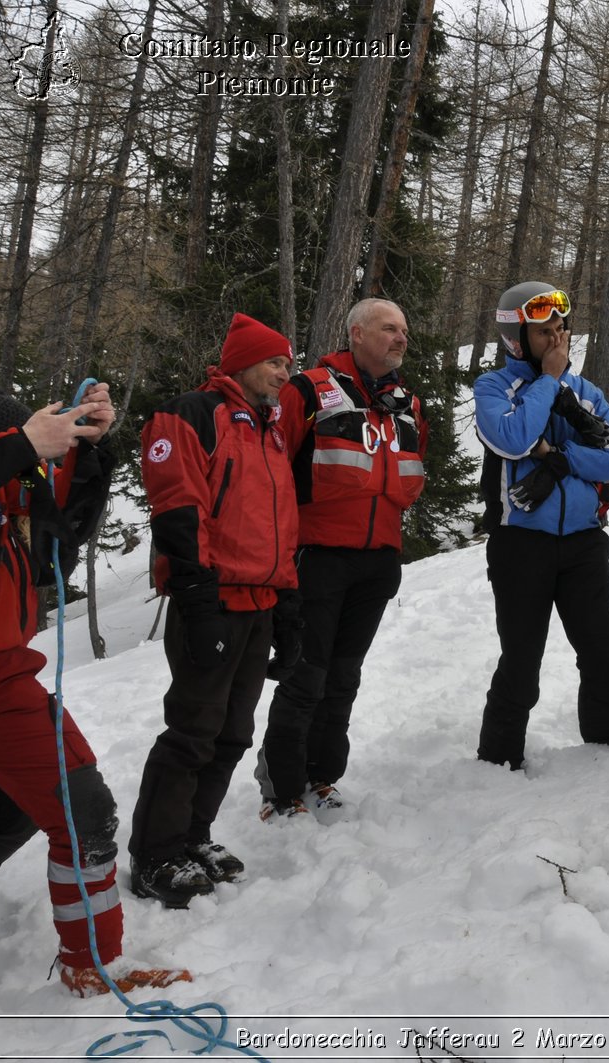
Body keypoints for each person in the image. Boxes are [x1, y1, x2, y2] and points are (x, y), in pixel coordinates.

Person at [0, 386, 191, 994]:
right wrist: (22, 444)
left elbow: (57, 542)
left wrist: (83, 449)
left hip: (3, 677)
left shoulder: (9, 487)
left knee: (75, 808)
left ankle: (91, 962)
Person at [132, 313, 299, 906]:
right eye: (276, 361)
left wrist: (287, 606)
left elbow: (277, 525)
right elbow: (179, 507)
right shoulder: (192, 414)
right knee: (192, 732)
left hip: (258, 603)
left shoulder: (269, 427)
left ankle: (192, 838)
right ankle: (154, 854)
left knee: (232, 734)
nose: (285, 371)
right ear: (243, 362)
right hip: (213, 601)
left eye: (287, 362)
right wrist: (198, 601)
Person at [255, 298, 428, 822]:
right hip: (317, 556)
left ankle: (322, 775)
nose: (401, 338)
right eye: (388, 328)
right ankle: (281, 789)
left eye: (404, 329)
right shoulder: (308, 388)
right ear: (356, 333)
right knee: (306, 675)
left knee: (343, 677)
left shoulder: (407, 401)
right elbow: (271, 472)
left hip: (378, 562)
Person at [473, 282, 609, 769]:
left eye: (562, 329)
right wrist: (548, 381)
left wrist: (558, 456)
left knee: (605, 651)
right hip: (521, 544)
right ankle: (497, 761)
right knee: (521, 662)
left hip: (583, 542)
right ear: (518, 338)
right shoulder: (494, 388)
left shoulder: (585, 393)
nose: (558, 340)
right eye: (545, 332)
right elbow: (515, 437)